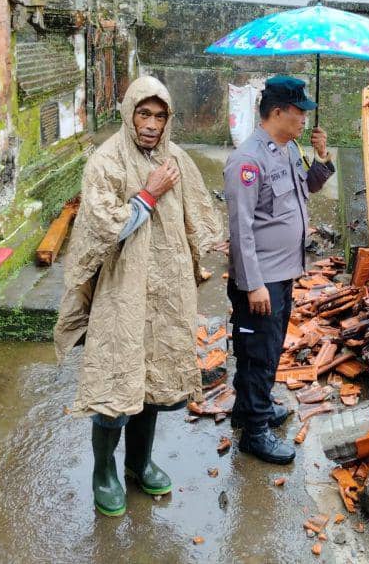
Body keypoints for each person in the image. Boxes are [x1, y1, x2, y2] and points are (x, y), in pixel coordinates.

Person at [54, 76, 222, 517]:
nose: (151, 124)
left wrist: (197, 262)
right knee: (117, 381)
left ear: (169, 119)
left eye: (159, 115)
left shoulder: (176, 159)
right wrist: (148, 193)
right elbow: (103, 228)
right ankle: (103, 472)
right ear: (129, 113)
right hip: (121, 293)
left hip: (165, 291)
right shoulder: (106, 162)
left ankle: (138, 463)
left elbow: (196, 218)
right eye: (143, 114)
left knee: (153, 383)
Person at [224, 76, 335, 464]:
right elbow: (240, 229)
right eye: (299, 112)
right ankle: (254, 432)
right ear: (276, 112)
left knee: (268, 349)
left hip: (283, 271)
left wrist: (322, 158)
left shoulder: (287, 151)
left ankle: (250, 409)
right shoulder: (248, 161)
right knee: (258, 353)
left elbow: (306, 190)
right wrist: (253, 285)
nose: (305, 119)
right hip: (261, 279)